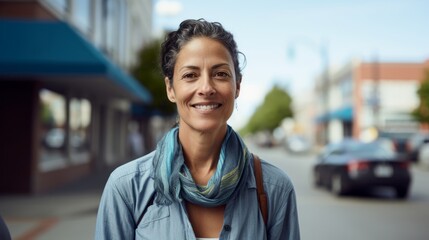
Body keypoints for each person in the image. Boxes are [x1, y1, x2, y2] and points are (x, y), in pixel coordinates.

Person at [95, 19, 300, 240]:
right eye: (190, 75)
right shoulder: (127, 187)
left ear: (237, 86)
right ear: (170, 89)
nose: (206, 88)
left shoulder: (274, 189)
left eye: (220, 74)